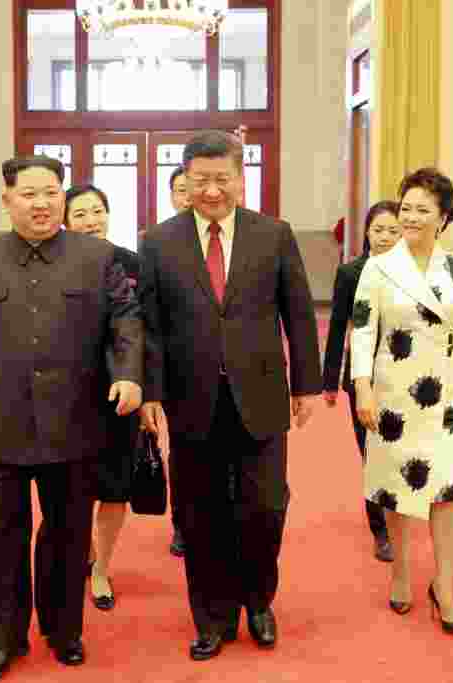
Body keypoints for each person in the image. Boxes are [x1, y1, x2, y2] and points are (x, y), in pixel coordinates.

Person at [0, 156, 144, 681]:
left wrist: (129, 373)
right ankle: (2, 638)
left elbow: (125, 321)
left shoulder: (97, 257)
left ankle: (64, 629)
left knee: (67, 534)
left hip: (74, 421)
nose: (42, 203)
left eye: (51, 192)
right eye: (29, 194)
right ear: (7, 201)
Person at [138, 130, 322, 660]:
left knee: (264, 508)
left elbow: (299, 314)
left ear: (240, 179)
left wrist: (306, 383)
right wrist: (152, 390)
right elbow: (148, 325)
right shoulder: (158, 241)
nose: (212, 191)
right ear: (185, 180)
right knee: (200, 513)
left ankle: (258, 601)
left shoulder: (274, 235)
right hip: (191, 399)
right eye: (201, 180)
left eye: (222, 179)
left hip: (261, 394)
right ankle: (211, 617)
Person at [351, 167, 453, 637]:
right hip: (394, 393)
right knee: (397, 486)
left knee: (448, 490)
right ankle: (401, 571)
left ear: (443, 217)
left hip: (447, 395)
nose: (410, 217)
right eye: (405, 207)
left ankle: (444, 584)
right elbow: (364, 328)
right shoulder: (379, 266)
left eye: (421, 210)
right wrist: (362, 387)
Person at [64, 183, 138, 613]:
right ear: (65, 221)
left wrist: (148, 394)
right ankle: (85, 546)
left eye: (97, 211)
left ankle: (101, 568)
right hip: (68, 393)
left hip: (121, 392)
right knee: (73, 485)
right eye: (80, 214)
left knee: (114, 487)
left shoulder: (131, 263)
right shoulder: (55, 264)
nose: (91, 221)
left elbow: (148, 330)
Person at [322, 201, 401, 562]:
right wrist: (328, 380)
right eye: (378, 230)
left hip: (403, 374)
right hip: (362, 375)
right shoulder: (351, 273)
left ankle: (400, 513)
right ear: (366, 233)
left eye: (393, 231)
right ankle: (380, 530)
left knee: (397, 449)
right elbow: (338, 327)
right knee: (371, 452)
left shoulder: (411, 273)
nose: (385, 237)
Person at [165, 164, 189, 558]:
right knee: (183, 453)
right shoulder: (159, 243)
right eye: (182, 189)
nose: (190, 195)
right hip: (177, 371)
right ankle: (183, 523)